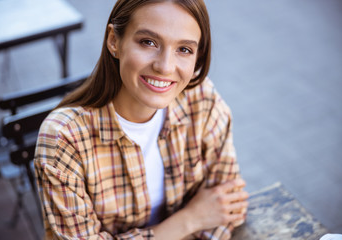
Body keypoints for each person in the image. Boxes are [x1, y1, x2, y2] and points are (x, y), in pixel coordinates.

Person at [34, 0, 249, 239]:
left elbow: (229, 207)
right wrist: (191, 219)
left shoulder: (201, 99)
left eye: (184, 49)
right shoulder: (63, 138)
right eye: (148, 42)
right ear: (114, 41)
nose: (165, 67)